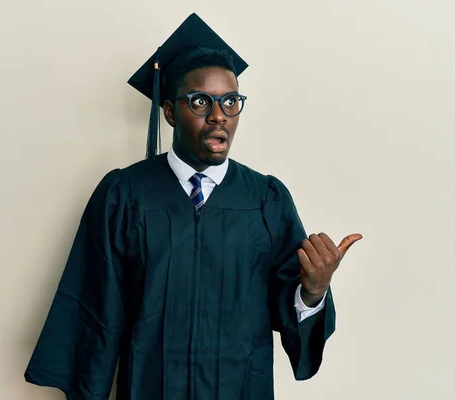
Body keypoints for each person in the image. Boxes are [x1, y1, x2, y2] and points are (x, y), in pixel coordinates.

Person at [24, 13, 362, 400]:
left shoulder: (266, 200)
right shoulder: (125, 195)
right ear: (169, 112)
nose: (219, 115)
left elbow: (288, 309)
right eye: (201, 101)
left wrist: (313, 293)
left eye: (231, 101)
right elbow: (97, 312)